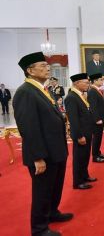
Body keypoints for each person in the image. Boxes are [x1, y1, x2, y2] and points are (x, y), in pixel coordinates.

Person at [14, 52, 73, 236]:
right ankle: (39, 229)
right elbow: (28, 128)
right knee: (42, 191)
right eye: (42, 65)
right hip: (43, 154)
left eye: (47, 65)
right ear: (30, 70)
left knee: (55, 186)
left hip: (56, 150)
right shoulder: (25, 92)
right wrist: (37, 157)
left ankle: (52, 213)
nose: (47, 68)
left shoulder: (42, 89)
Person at [65, 73, 97, 190]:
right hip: (81, 134)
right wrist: (79, 136)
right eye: (86, 82)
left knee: (85, 156)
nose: (88, 85)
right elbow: (74, 119)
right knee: (79, 158)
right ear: (76, 83)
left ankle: (84, 175)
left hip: (87, 132)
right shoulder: (71, 97)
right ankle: (78, 182)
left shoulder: (80, 95)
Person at [87, 73, 104, 163]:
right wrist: (97, 119)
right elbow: (93, 107)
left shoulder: (97, 90)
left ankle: (98, 152)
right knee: (96, 138)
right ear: (95, 81)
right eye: (100, 80)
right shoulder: (92, 91)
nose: (102, 81)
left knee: (99, 137)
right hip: (97, 119)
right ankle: (95, 156)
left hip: (101, 118)